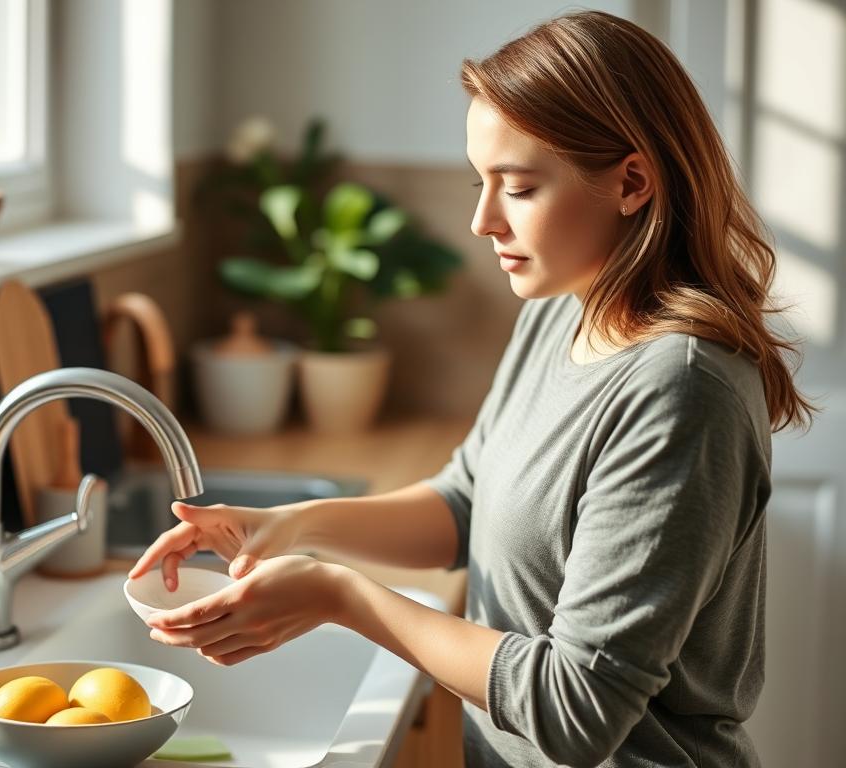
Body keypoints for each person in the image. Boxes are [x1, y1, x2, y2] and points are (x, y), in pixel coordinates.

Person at [128, 10, 814, 767]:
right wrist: (288, 526)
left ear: (631, 182)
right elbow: (466, 502)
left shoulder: (680, 393)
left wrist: (339, 596)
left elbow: (576, 711)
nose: (483, 220)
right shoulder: (562, 311)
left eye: (517, 187)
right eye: (480, 182)